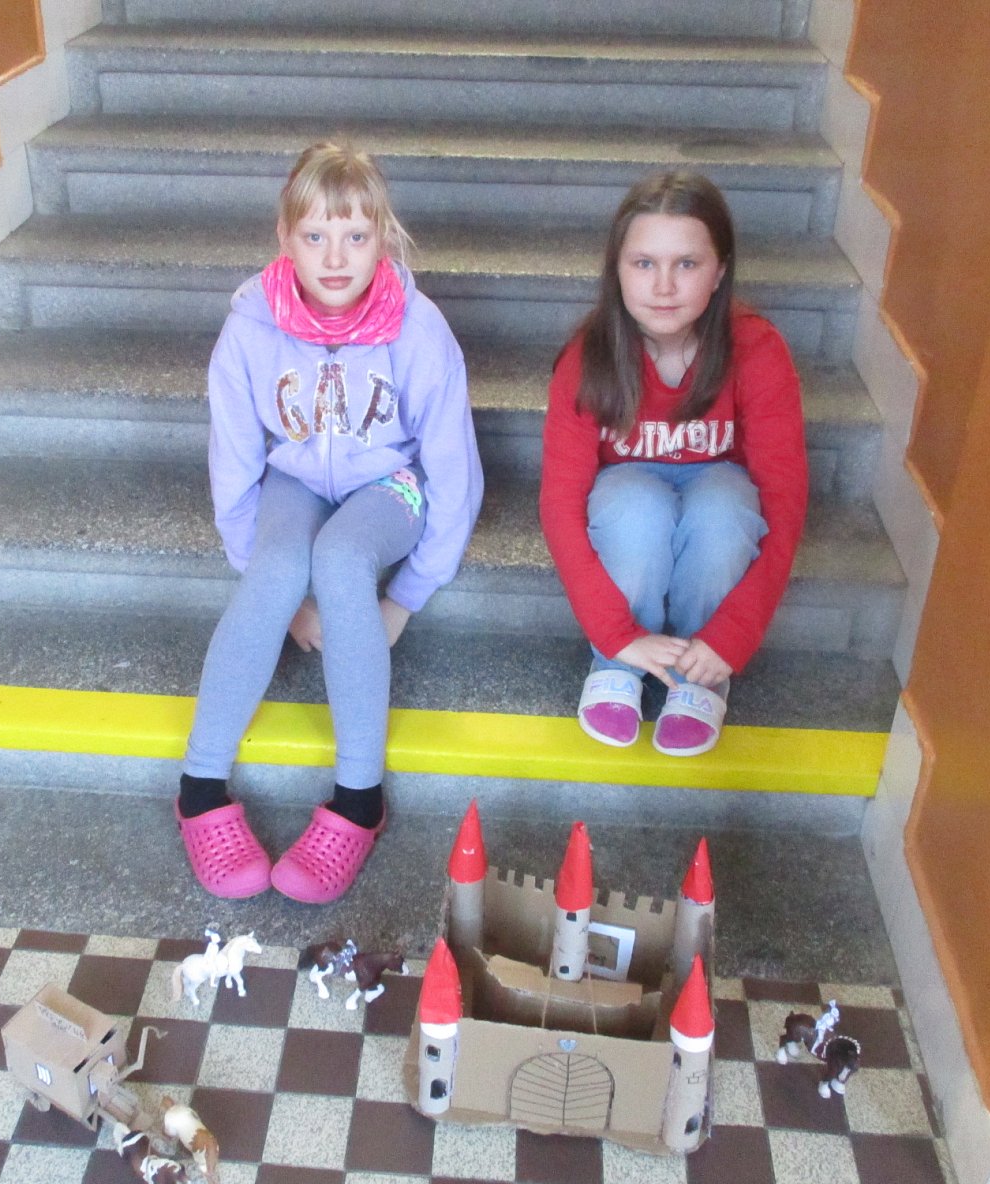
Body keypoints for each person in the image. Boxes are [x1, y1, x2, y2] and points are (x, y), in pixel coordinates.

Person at [176, 141, 483, 903]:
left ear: (384, 238)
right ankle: (199, 787)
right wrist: (275, 589)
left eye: (355, 236)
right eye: (315, 235)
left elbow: (454, 472)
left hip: (390, 483)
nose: (336, 257)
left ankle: (358, 800)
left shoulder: (418, 328)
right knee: (282, 565)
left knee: (343, 559)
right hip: (297, 477)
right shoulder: (250, 326)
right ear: (285, 238)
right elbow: (234, 463)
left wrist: (404, 598)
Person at [539, 172, 807, 757]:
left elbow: (784, 503)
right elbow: (560, 505)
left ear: (720, 271)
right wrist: (616, 634)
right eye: (643, 263)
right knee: (637, 506)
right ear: (617, 269)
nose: (663, 286)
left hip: (718, 494)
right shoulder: (589, 358)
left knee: (724, 507)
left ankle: (698, 671)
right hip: (628, 499)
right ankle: (617, 666)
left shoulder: (758, 350)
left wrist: (731, 637)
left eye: (686, 263)